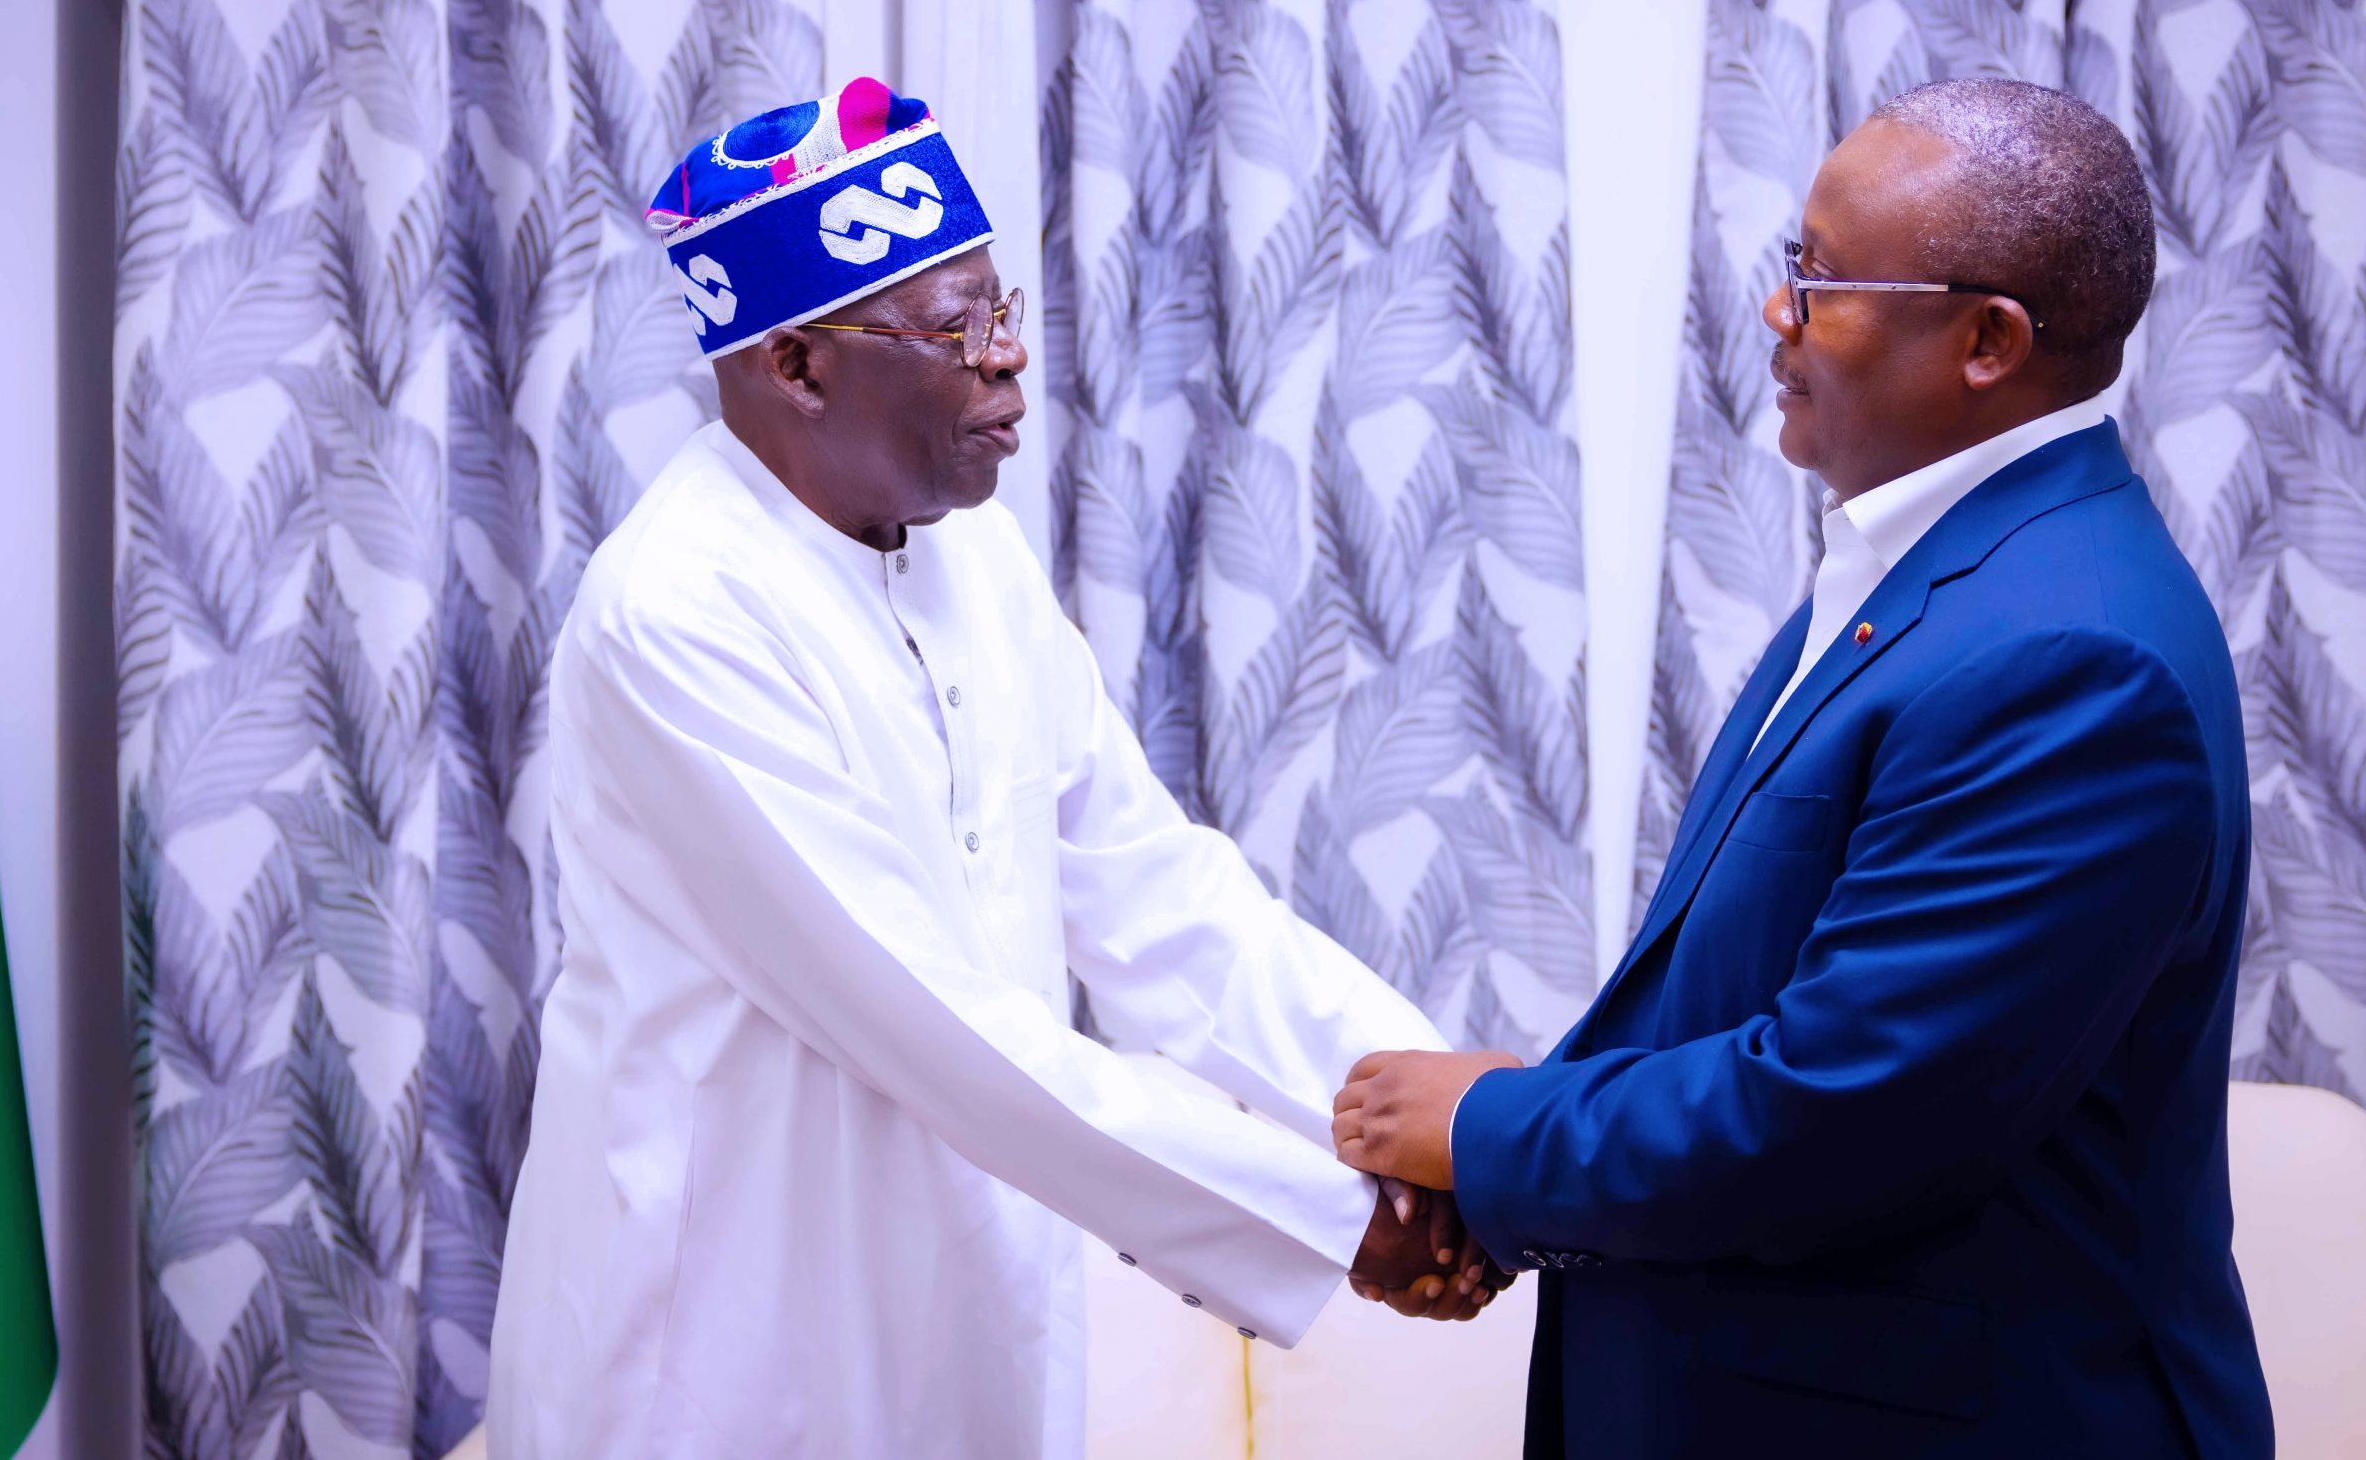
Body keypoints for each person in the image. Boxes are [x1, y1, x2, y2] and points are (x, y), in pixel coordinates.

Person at [488, 79, 1488, 1460]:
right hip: (721, 1362)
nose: (1010, 358)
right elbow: (937, 1025)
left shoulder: (976, 559)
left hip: (969, 1334)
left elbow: (1157, 893)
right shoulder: (676, 614)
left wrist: (1452, 1117)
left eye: (1001, 310)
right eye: (958, 328)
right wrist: (1343, 1221)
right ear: (797, 365)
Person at [1331, 80, 2273, 1456]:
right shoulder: (1929, 570)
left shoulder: (2073, 657)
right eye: (1794, 263)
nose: (1779, 311)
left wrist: (1485, 1132)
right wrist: (1494, 1196)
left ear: (1989, 340)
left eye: (1824, 281)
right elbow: (1721, 1000)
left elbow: (1846, 1110)